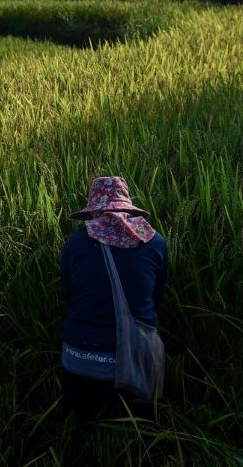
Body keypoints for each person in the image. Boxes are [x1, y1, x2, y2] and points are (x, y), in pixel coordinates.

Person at [60, 176, 169, 420]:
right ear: (127, 209)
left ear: (92, 213)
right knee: (138, 433)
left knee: (82, 432)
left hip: (80, 362)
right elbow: (156, 298)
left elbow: (68, 296)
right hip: (137, 361)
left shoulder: (75, 244)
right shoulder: (156, 243)